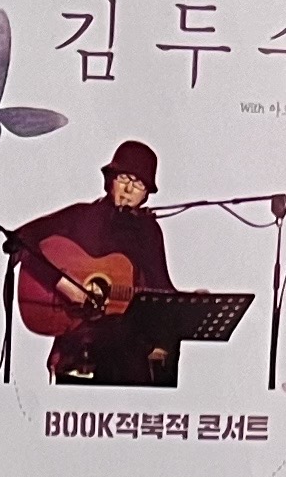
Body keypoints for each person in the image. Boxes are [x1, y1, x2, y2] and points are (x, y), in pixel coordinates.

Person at [14, 141, 175, 386]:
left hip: (127, 348)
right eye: (124, 178)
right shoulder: (81, 216)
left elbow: (160, 286)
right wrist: (64, 285)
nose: (129, 188)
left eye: (139, 183)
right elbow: (20, 241)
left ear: (146, 194)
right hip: (80, 341)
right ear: (110, 180)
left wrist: (189, 303)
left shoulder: (149, 230)